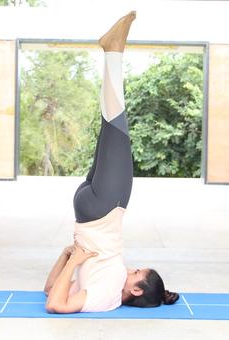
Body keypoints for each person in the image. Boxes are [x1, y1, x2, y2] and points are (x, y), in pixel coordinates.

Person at [44, 11, 179, 314]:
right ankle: (112, 50)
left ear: (135, 289)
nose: (130, 269)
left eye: (136, 273)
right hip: (92, 210)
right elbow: (50, 288)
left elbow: (55, 303)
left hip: (104, 206)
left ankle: (114, 49)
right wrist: (66, 258)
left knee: (117, 126)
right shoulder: (108, 284)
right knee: (111, 127)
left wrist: (75, 260)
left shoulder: (107, 296)